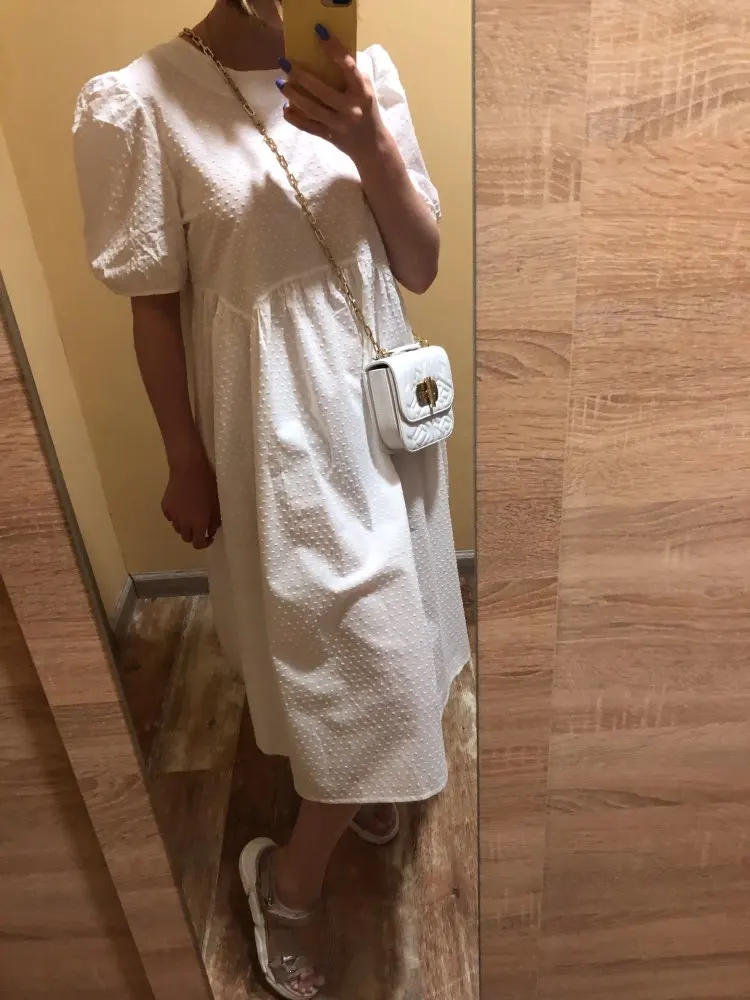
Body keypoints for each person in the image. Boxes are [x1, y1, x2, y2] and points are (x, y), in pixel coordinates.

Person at [72, 0, 470, 995]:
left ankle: (361, 768)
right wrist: (183, 456)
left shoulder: (361, 74)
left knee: (393, 627)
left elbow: (419, 263)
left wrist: (370, 140)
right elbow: (154, 309)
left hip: (382, 413)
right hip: (279, 428)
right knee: (344, 642)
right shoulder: (144, 100)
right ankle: (286, 883)